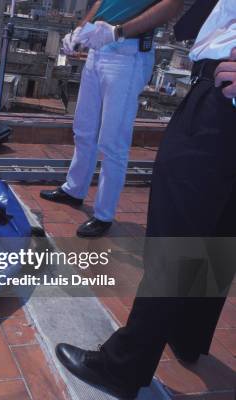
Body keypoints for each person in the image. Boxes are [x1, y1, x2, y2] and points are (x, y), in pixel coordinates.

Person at [55, 0, 236, 398]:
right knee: (217, 226)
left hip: (221, 98)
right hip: (223, 93)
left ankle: (124, 366)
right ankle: (188, 332)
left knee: (179, 233)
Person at [40, 0, 184, 237]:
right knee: (84, 129)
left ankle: (103, 214)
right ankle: (74, 189)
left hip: (127, 52)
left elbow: (172, 5)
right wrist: (81, 30)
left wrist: (118, 32)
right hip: (99, 49)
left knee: (112, 141)